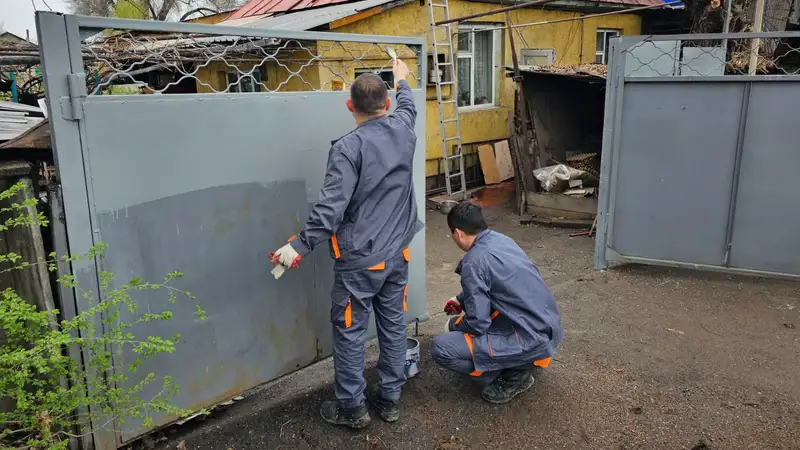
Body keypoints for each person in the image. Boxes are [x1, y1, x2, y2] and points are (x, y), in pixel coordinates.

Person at [270, 59, 421, 429]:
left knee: (351, 334)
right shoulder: (403, 129)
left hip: (360, 264)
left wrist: (297, 247)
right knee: (393, 325)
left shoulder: (348, 149)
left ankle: (352, 409)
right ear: (386, 104)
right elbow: (409, 105)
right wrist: (401, 78)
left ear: (349, 106)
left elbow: (330, 211)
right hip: (397, 256)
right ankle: (390, 399)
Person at [431, 202, 563, 404]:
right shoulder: (501, 240)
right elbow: (495, 284)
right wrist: (460, 299)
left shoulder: (472, 262)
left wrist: (457, 326)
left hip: (530, 337)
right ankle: (522, 362)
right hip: (547, 326)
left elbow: (478, 323)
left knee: (442, 347)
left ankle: (511, 374)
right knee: (466, 323)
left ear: (457, 233)